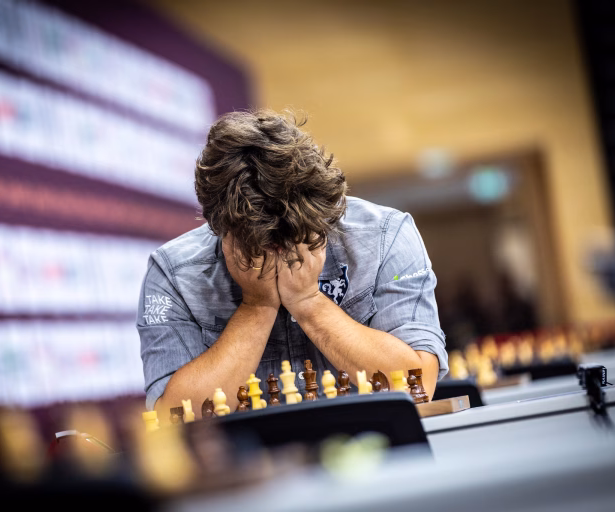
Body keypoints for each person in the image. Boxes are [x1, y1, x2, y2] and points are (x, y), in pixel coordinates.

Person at [137, 110, 447, 416]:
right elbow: (174, 417)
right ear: (221, 228)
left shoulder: (386, 236)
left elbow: (418, 384)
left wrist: (308, 301)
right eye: (261, 247)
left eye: (296, 238)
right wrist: (256, 307)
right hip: (247, 463)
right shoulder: (173, 272)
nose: (281, 256)